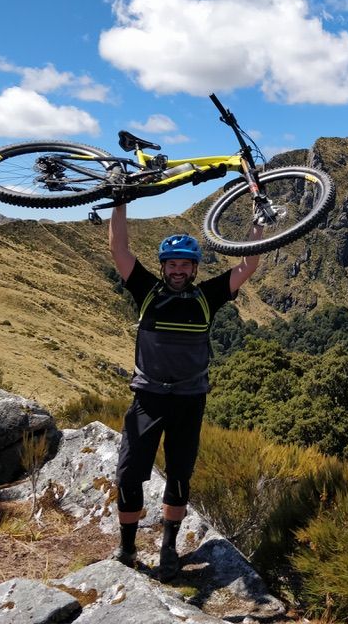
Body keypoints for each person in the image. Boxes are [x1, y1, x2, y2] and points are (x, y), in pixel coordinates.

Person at [108, 202, 261, 580]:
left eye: (185, 265)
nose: (178, 270)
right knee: (128, 475)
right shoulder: (146, 290)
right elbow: (119, 250)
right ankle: (127, 548)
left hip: (190, 400)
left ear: (194, 269)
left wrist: (258, 225)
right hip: (148, 397)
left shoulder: (207, 296)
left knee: (179, 477)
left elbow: (248, 266)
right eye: (172, 264)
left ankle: (169, 548)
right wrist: (119, 201)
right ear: (163, 267)